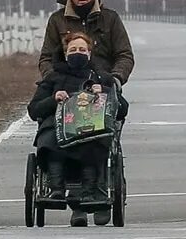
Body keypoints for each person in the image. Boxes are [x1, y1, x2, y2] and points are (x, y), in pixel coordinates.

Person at [28, 32, 128, 227]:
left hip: (90, 128)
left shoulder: (101, 78)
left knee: (94, 140)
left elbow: (123, 109)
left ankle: (90, 191)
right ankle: (55, 188)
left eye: (82, 50)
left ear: (90, 53)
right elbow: (34, 110)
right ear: (65, 54)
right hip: (59, 127)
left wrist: (105, 94)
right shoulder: (53, 78)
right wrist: (53, 98)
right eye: (73, 50)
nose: (78, 53)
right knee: (49, 140)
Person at [38, 0, 135, 86]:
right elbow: (46, 57)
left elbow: (124, 55)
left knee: (121, 105)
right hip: (64, 85)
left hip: (104, 84)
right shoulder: (57, 20)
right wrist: (52, 78)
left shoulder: (110, 18)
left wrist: (116, 78)